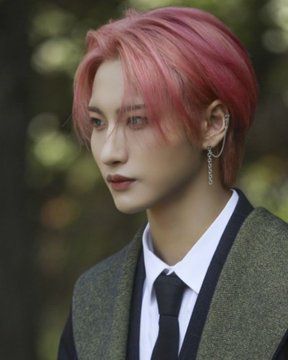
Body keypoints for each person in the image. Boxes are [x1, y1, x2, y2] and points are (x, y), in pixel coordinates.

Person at [58, 6, 288, 360]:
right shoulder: (93, 298)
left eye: (136, 120)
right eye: (98, 123)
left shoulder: (278, 274)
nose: (109, 152)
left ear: (212, 124)